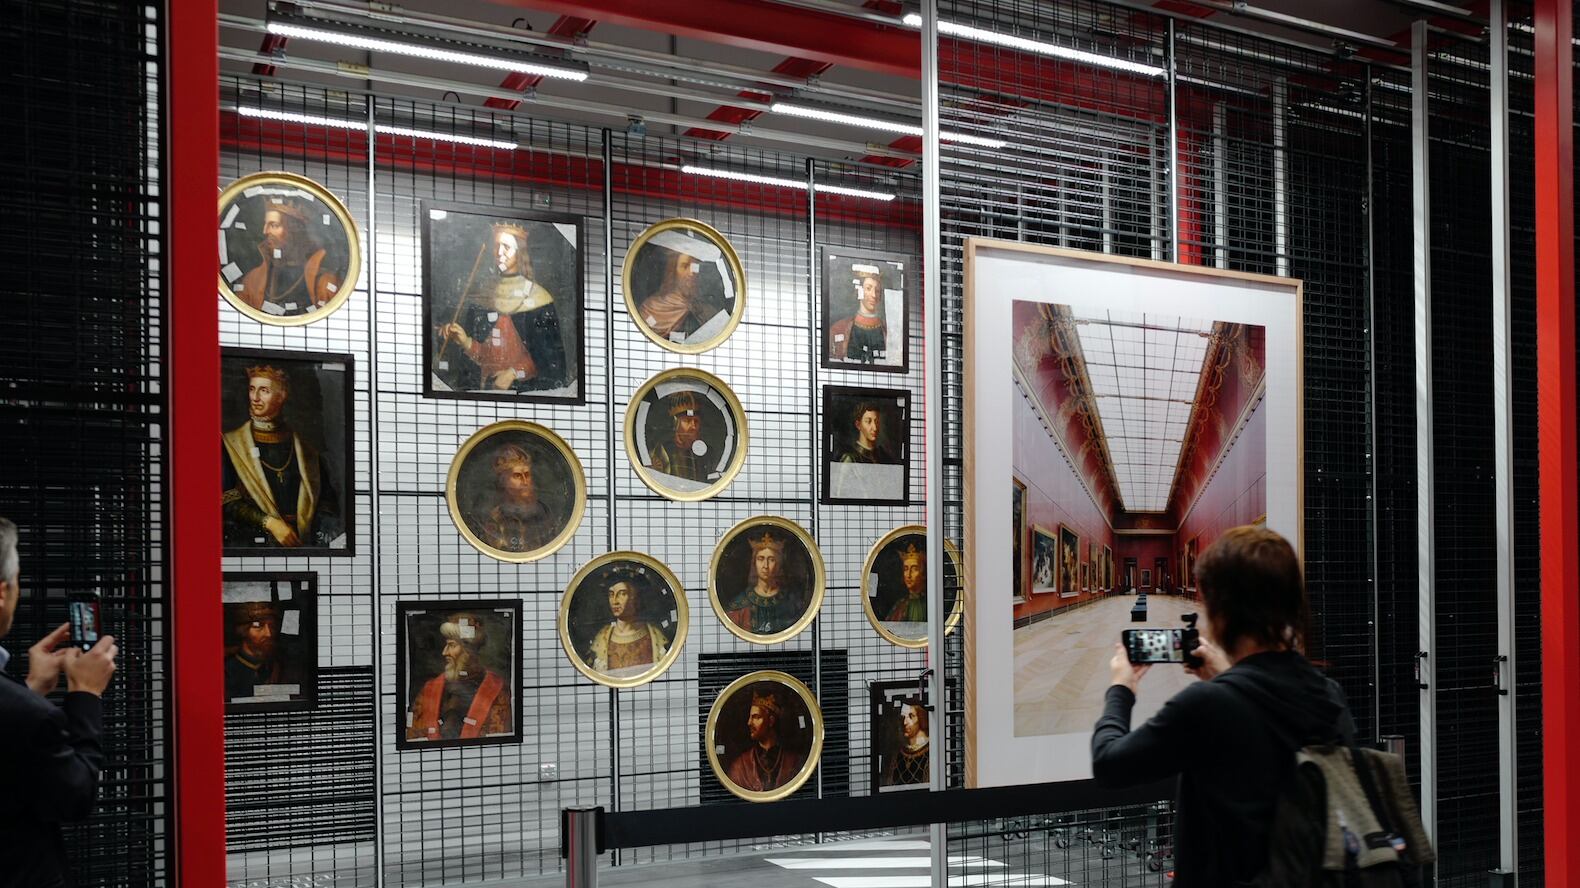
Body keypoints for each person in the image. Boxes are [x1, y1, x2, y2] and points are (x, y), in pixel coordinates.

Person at [1090, 525, 1354, 888]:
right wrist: (1228, 676)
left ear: (1221, 613)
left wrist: (1122, 687)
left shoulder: (1209, 705)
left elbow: (1109, 764)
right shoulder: (1328, 694)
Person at [0, 517, 119, 887]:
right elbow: (74, 796)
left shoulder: (19, 708)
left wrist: (31, 688)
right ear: (2, 593)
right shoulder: (30, 716)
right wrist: (85, 692)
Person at [438, 222, 568, 393]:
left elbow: (549, 362)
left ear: (520, 252)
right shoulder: (485, 295)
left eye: (506, 247)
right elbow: (486, 356)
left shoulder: (538, 298)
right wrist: (465, 341)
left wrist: (514, 373)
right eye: (497, 246)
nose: (499, 253)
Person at [221, 364, 340, 549]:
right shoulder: (230, 444)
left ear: (281, 396)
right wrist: (270, 524)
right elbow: (226, 500)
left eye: (264, 391)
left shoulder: (306, 451)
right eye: (252, 389)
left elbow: (327, 503)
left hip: (302, 543)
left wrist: (321, 533)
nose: (255, 397)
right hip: (252, 543)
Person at [407, 612, 512, 742]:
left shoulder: (497, 689)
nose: (445, 652)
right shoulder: (430, 689)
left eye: (451, 645)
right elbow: (414, 736)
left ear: (469, 650)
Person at [237, 199, 342, 315]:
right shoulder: (253, 280)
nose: (265, 231)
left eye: (274, 225)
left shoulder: (324, 282)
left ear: (294, 230)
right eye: (266, 224)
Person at [469, 443, 557, 553]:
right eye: (517, 476)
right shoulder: (491, 515)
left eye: (527, 475)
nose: (525, 482)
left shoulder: (543, 512)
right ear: (503, 481)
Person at [583, 571, 669, 678]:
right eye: (611, 594)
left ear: (636, 598)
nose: (615, 601)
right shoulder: (602, 637)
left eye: (622, 594)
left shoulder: (656, 637)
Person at [724, 531, 808, 635]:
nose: (765, 566)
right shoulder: (740, 605)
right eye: (760, 559)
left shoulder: (792, 602)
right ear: (754, 563)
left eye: (771, 559)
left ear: (778, 565)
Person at [725, 688, 805, 793]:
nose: (749, 723)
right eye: (750, 717)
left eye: (756, 717)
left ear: (771, 721)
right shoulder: (740, 766)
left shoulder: (793, 762)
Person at [638, 245, 719, 341]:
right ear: (672, 271)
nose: (691, 273)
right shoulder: (650, 309)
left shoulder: (707, 310)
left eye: (694, 268)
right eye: (685, 266)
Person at [223, 600, 299, 702]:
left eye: (272, 626)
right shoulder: (227, 670)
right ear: (242, 630)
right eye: (258, 626)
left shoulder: (277, 667)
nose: (268, 634)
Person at [648, 391, 709, 482]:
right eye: (687, 421)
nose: (693, 426)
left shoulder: (707, 454)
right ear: (675, 423)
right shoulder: (661, 451)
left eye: (696, 421)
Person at [828, 271, 887, 363]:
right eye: (868, 288)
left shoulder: (886, 330)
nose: (874, 295)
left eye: (877, 291)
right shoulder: (839, 328)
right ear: (859, 291)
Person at [883, 699, 930, 787]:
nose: (905, 722)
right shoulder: (898, 754)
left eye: (911, 716)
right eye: (903, 717)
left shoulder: (931, 751)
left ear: (921, 717)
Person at [883, 541, 926, 623]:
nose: (908, 575)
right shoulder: (900, 606)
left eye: (914, 569)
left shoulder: (931, 603)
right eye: (906, 569)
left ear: (923, 573)